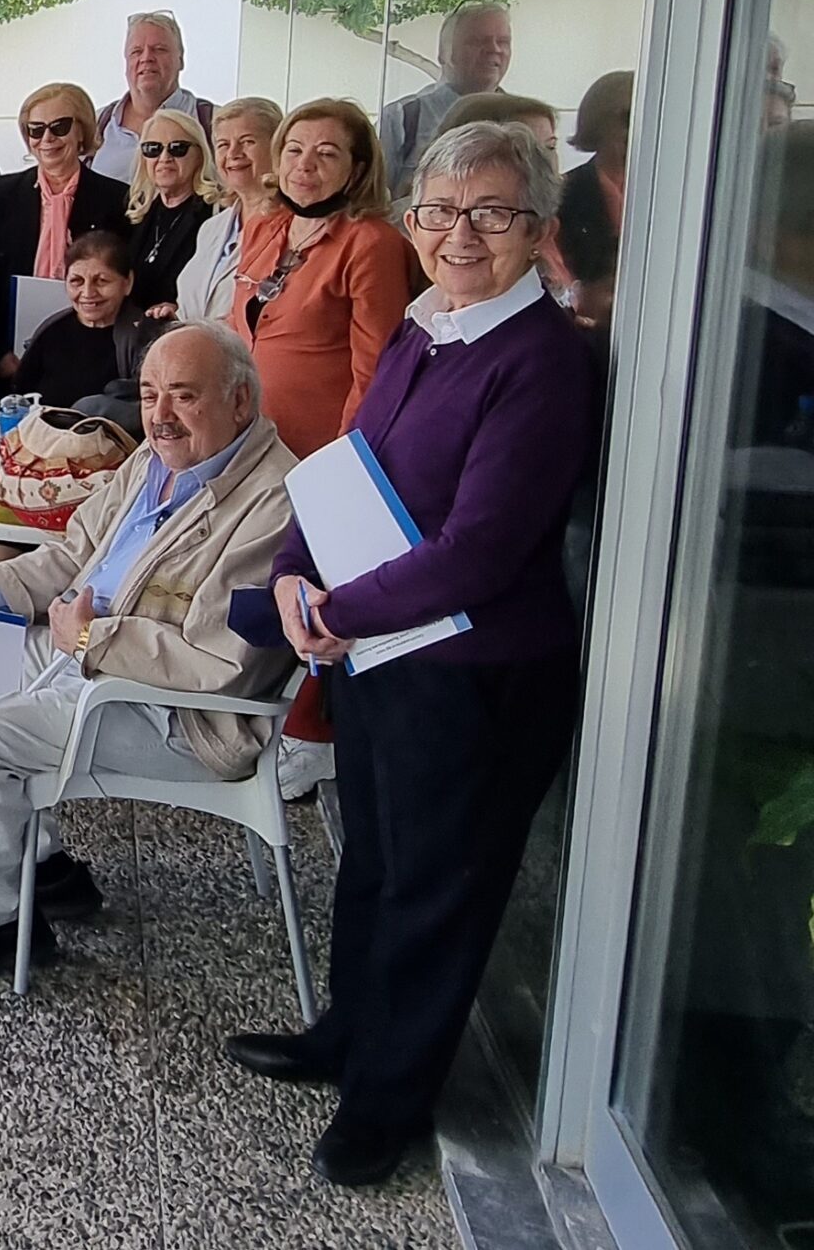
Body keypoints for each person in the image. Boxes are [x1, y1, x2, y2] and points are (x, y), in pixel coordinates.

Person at [233, 121, 593, 1189]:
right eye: (438, 211)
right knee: (376, 863)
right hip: (381, 650)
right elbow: (354, 459)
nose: (459, 234)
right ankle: (347, 1035)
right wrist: (294, 572)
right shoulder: (425, 327)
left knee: (438, 892)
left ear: (537, 228)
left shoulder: (540, 362)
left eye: (491, 213)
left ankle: (386, 1105)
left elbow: (480, 549)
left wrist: (334, 607)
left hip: (474, 674)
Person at [0, 321, 297, 982]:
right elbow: (75, 552)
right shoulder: (154, 461)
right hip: (85, 653)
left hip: (176, 713)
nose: (160, 416)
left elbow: (218, 665)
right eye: (150, 394)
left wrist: (92, 640)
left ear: (240, 401)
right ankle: (41, 866)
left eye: (184, 396)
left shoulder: (273, 501)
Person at [229, 98, 410, 793]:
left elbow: (376, 368)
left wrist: (339, 471)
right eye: (295, 150)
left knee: (312, 584)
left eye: (327, 153)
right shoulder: (268, 227)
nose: (306, 165)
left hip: (317, 454)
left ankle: (312, 732)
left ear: (357, 168)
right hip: (252, 444)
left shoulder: (371, 244)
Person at [0, 82, 132, 378]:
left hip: (92, 356)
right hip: (9, 358)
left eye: (60, 127)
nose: (47, 138)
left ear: (81, 130)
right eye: (36, 129)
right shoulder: (0, 194)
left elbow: (123, 284)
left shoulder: (117, 199)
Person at [377, 0, 513, 200]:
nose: (494, 49)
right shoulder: (402, 118)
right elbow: (373, 203)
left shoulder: (523, 120)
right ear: (443, 54)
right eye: (478, 41)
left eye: (503, 41)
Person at [168, 97, 280, 322]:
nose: (233, 153)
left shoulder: (293, 228)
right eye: (223, 145)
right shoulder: (212, 227)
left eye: (247, 141)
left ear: (277, 147)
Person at [13, 229, 146, 410]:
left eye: (101, 281)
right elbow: (21, 395)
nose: (88, 293)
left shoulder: (143, 338)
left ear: (127, 282)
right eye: (76, 281)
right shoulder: (51, 329)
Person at [92, 11, 216, 180]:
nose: (146, 58)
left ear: (181, 60)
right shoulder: (97, 124)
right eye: (136, 51)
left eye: (159, 49)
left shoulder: (213, 123)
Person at [556, 70, 633, 330]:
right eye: (628, 118)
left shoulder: (674, 196)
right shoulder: (564, 193)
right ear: (599, 121)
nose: (638, 128)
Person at [121, 107, 217, 314]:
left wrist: (178, 309)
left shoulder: (215, 215)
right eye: (153, 149)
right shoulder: (138, 212)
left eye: (177, 148)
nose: (164, 157)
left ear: (200, 155)